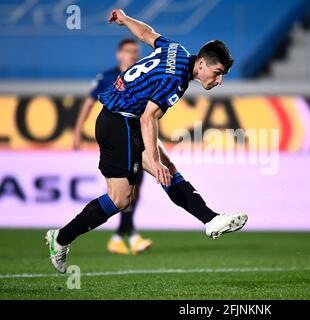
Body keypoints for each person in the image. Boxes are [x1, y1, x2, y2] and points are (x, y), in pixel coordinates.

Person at [45, 8, 248, 273]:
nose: (218, 81)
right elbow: (148, 119)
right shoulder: (175, 80)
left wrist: (125, 18)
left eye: (222, 76)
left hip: (124, 119)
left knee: (169, 172)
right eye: (217, 72)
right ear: (201, 64)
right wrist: (153, 159)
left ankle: (212, 220)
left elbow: (145, 33)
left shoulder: (176, 50)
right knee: (120, 199)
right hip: (119, 122)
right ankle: (60, 239)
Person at [73, 38, 152, 255]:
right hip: (118, 139)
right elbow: (89, 103)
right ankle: (129, 235)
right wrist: (77, 132)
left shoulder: (144, 75)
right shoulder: (108, 77)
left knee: (133, 190)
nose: (133, 55)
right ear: (119, 54)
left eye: (136, 51)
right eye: (128, 51)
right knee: (124, 189)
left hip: (138, 137)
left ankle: (121, 236)